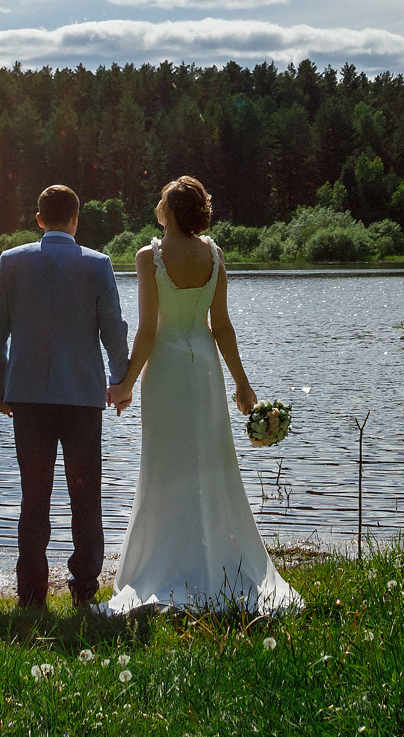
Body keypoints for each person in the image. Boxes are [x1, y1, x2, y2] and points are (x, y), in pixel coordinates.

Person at [102, 176, 301, 613]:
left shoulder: (148, 257)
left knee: (164, 462)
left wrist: (125, 385)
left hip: (168, 370)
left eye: (161, 202)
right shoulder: (214, 254)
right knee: (211, 461)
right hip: (206, 368)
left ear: (169, 211)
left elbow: (148, 332)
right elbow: (222, 327)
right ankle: (216, 561)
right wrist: (242, 385)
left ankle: (167, 563)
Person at [0, 183, 132, 610]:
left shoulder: (11, 262)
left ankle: (31, 594)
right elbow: (114, 331)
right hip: (83, 398)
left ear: (39, 220)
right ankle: (84, 588)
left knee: (35, 495)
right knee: (86, 495)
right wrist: (120, 380)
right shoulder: (98, 264)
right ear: (76, 219)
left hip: (27, 397)